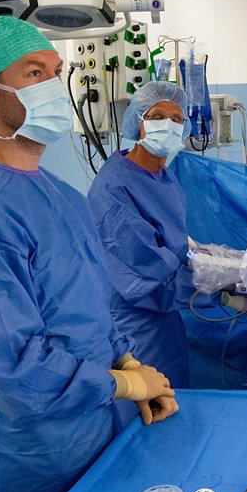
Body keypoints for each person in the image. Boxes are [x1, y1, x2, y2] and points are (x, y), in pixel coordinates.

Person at [0, 16, 178, 492]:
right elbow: (9, 369)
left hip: (95, 424)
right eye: (33, 73)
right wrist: (122, 386)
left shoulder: (59, 194)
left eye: (56, 71)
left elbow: (87, 304)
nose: (53, 87)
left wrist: (125, 362)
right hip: (33, 452)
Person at [87, 81, 195, 386]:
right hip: (134, 325)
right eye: (158, 116)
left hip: (165, 319)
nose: (168, 125)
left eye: (177, 119)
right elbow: (143, 271)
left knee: (173, 394)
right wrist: (211, 286)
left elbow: (173, 244)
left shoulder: (165, 178)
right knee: (144, 409)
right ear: (139, 121)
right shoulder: (114, 187)